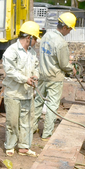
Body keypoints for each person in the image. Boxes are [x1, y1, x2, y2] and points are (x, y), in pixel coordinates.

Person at [33, 12, 76, 140]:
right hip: (54, 78)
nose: (69, 32)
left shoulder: (46, 36)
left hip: (42, 75)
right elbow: (64, 64)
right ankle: (46, 134)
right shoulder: (61, 43)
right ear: (65, 27)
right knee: (52, 105)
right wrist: (71, 68)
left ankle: (32, 127)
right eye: (69, 29)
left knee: (38, 102)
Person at [2, 21, 41, 157]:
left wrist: (35, 75)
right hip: (14, 93)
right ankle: (10, 146)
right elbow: (10, 70)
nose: (36, 42)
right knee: (12, 121)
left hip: (27, 93)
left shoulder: (31, 52)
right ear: (28, 38)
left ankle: (24, 146)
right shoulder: (11, 51)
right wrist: (25, 79)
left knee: (27, 122)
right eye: (35, 38)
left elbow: (36, 65)